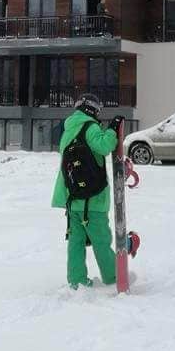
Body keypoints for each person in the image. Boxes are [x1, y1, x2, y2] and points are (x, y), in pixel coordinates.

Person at [51, 93, 124, 289]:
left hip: (72, 197)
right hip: (93, 199)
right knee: (101, 240)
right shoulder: (90, 127)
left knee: (76, 242)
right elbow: (105, 146)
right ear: (93, 109)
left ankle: (77, 281)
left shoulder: (68, 129)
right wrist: (112, 131)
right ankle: (114, 277)